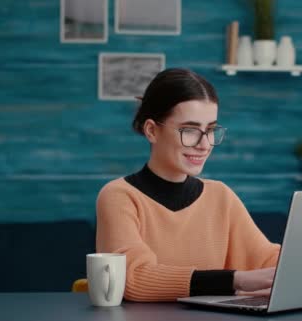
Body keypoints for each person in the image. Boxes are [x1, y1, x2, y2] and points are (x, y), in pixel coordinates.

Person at [96, 68, 280, 302]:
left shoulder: (221, 196)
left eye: (211, 130)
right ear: (152, 130)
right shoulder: (119, 196)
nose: (204, 145)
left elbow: (266, 258)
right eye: (190, 130)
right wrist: (235, 280)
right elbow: (131, 277)